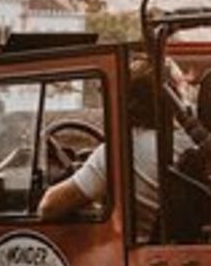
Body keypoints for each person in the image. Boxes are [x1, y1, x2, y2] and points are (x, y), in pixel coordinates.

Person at [38, 57, 195, 240]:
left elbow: (48, 207)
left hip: (137, 256)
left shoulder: (121, 150)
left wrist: (89, 199)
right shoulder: (194, 143)